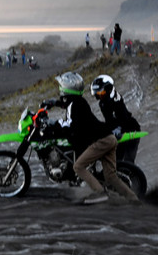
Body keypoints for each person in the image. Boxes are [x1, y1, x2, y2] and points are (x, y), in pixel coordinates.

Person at [42, 71, 138, 204]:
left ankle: (100, 193)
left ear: (66, 89)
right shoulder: (77, 102)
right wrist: (54, 103)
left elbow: (70, 125)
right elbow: (69, 106)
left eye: (61, 86)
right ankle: (134, 200)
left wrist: (52, 123)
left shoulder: (76, 105)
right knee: (110, 177)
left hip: (102, 141)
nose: (60, 89)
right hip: (109, 138)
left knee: (78, 167)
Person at [91, 74, 141, 164]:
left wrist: (117, 129)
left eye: (101, 93)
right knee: (115, 160)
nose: (98, 96)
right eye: (97, 94)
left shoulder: (115, 100)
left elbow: (123, 118)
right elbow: (109, 121)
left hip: (131, 130)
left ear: (108, 89)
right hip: (119, 132)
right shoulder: (103, 103)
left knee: (127, 161)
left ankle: (132, 176)